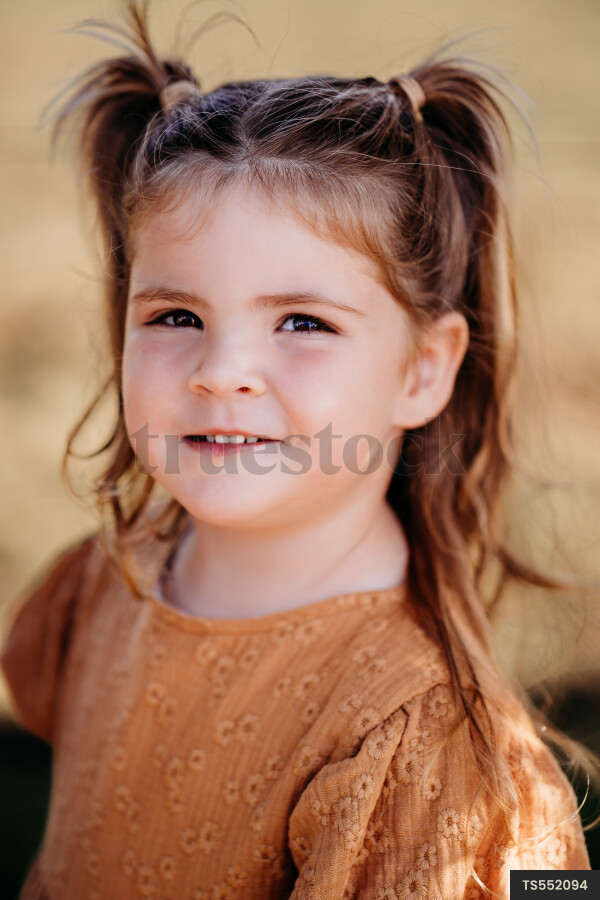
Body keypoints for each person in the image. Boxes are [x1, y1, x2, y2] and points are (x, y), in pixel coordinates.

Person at [1, 2, 593, 897]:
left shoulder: (413, 748)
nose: (221, 370)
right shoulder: (114, 572)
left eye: (303, 321)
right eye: (175, 316)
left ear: (423, 370)